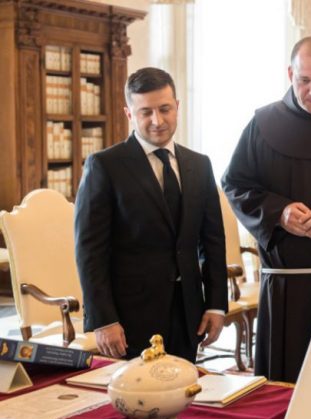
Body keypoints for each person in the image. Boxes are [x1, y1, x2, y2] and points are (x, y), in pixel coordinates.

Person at [221, 36, 311, 383]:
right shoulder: (262, 124)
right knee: (283, 388)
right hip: (284, 285)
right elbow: (236, 183)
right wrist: (278, 212)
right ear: (289, 74)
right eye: (304, 80)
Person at [75, 67, 227, 363]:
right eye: (145, 112)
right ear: (129, 114)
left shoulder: (200, 164)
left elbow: (212, 242)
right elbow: (90, 251)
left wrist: (216, 304)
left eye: (164, 109)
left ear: (177, 107)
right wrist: (103, 319)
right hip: (130, 318)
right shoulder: (104, 166)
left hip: (188, 315)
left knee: (184, 397)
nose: (157, 121)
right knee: (135, 403)